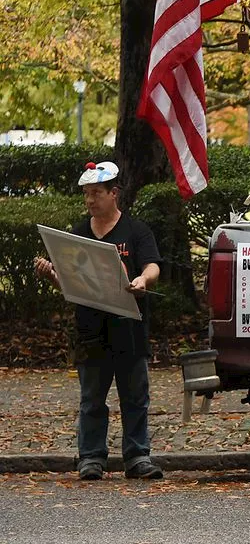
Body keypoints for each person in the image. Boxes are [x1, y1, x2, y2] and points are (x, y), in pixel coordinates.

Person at [34, 161, 164, 481]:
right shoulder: (79, 233)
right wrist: (52, 275)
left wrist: (142, 281)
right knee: (92, 398)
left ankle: (137, 456)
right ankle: (91, 457)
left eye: (96, 193)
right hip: (91, 330)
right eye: (86, 195)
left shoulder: (136, 230)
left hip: (129, 327)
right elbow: (70, 285)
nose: (90, 200)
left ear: (113, 193)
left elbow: (153, 267)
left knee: (135, 396)